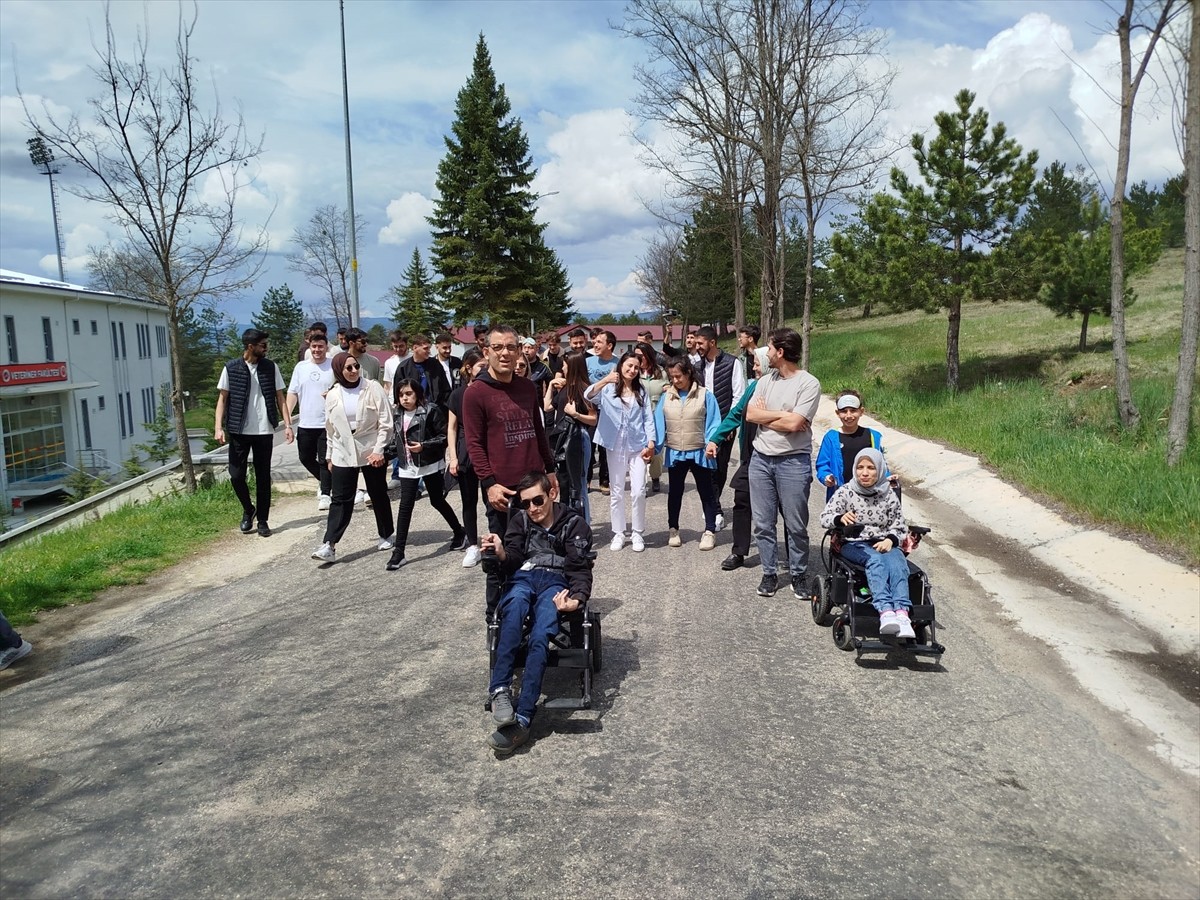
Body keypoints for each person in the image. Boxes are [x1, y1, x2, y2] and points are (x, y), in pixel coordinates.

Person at [484, 471, 594, 755]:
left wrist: (578, 599)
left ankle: (523, 717)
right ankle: (500, 691)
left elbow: (579, 569)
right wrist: (501, 553)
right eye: (526, 503)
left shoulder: (574, 524)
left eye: (537, 500)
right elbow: (513, 560)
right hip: (524, 577)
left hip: (556, 583)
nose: (532, 508)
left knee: (540, 634)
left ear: (552, 495)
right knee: (514, 611)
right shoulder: (520, 521)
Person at [462, 323, 558, 617]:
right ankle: (497, 616)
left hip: (534, 488)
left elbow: (537, 432)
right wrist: (488, 483)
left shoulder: (527, 387)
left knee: (540, 552)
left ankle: (534, 608)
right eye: (498, 347)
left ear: (520, 351)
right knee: (499, 556)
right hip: (501, 491)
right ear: (486, 351)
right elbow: (474, 445)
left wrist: (551, 471)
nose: (505, 353)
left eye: (511, 347)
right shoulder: (475, 393)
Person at [745, 328, 821, 599]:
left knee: (795, 523)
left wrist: (771, 416)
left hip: (793, 462)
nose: (766, 352)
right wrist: (780, 415)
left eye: (770, 347)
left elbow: (796, 423)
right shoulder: (765, 380)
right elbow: (751, 414)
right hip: (761, 461)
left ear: (781, 351)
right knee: (764, 524)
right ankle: (769, 573)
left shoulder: (808, 383)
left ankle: (799, 574)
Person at [819, 448, 913, 638]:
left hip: (883, 542)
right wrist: (840, 518)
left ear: (880, 470)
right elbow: (824, 517)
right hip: (853, 542)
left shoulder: (888, 494)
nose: (864, 472)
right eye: (860, 467)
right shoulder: (846, 491)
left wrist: (890, 540)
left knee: (898, 563)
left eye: (871, 468)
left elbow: (899, 525)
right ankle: (885, 611)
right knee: (875, 561)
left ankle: (902, 614)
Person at [311, 352, 394, 563]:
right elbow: (330, 429)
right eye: (348, 368)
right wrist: (329, 456)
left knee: (377, 493)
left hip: (370, 446)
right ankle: (329, 544)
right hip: (342, 449)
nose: (354, 371)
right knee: (340, 499)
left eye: (356, 366)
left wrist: (379, 449)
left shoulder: (372, 387)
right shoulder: (332, 394)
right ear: (339, 370)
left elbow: (386, 421)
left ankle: (385, 534)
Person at [214, 328, 293, 537]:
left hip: (264, 430)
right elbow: (222, 399)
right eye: (262, 345)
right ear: (250, 346)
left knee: (263, 476)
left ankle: (263, 520)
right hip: (238, 430)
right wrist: (218, 427)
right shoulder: (231, 368)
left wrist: (287, 424)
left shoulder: (270, 367)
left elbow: (280, 398)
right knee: (236, 475)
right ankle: (248, 509)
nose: (266, 348)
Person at [385, 378, 466, 571]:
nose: (405, 398)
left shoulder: (430, 410)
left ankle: (459, 531)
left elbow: (444, 437)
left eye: (409, 394)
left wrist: (424, 447)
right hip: (407, 466)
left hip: (429, 463)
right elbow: (396, 440)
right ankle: (399, 552)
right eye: (401, 394)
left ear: (417, 394)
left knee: (437, 500)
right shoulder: (397, 413)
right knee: (405, 506)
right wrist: (383, 454)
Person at [706, 346, 770, 571]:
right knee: (741, 502)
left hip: (774, 459)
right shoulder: (752, 388)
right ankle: (739, 551)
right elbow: (734, 415)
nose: (753, 367)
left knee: (783, 508)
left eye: (757, 363)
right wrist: (716, 439)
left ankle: (792, 555)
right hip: (749, 456)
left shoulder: (781, 390)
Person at [587, 351, 656, 552]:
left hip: (637, 445)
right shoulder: (608, 388)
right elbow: (588, 395)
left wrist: (651, 441)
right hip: (614, 444)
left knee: (638, 491)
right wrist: (605, 380)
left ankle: (637, 532)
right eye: (629, 366)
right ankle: (619, 532)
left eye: (636, 367)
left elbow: (648, 418)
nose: (632, 370)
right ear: (621, 365)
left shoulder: (641, 390)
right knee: (616, 491)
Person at [654, 357, 721, 551]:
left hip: (699, 451)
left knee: (707, 493)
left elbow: (714, 421)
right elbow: (659, 424)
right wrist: (654, 448)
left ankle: (709, 531)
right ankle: (673, 529)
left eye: (678, 376)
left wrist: (711, 443)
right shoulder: (666, 397)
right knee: (674, 493)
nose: (675, 380)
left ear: (689, 373)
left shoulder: (705, 395)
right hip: (676, 452)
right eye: (672, 377)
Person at [692, 325, 747, 531]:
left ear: (712, 342)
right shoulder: (697, 367)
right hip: (702, 424)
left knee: (720, 468)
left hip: (725, 425)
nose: (697, 347)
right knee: (705, 467)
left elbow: (738, 396)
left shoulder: (732, 364)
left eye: (700, 343)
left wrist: (729, 424)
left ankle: (713, 506)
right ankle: (714, 509)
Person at [544, 350, 598, 521]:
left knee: (579, 484)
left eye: (565, 365)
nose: (563, 368)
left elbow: (593, 419)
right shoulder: (565, 388)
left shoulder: (584, 389)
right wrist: (551, 386)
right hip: (562, 439)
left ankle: (583, 524)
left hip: (577, 438)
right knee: (565, 483)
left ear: (573, 365)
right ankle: (568, 523)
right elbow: (547, 408)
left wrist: (575, 414)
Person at [815, 389, 896, 500]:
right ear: (837, 413)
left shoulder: (873, 436)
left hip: (869, 496)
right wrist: (826, 477)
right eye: (844, 411)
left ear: (861, 411)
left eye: (853, 410)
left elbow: (880, 465)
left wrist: (888, 478)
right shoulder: (831, 437)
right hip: (841, 496)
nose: (848, 415)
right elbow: (822, 465)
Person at [286, 332, 335, 511]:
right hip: (306, 422)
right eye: (314, 347)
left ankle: (325, 493)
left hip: (326, 422)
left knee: (324, 459)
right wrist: (287, 417)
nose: (317, 350)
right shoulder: (301, 367)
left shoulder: (333, 366)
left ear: (326, 347)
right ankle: (327, 483)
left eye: (320, 346)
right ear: (310, 347)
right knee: (305, 457)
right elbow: (292, 393)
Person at [447, 349, 487, 568]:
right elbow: (451, 428)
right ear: (469, 368)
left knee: (492, 499)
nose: (485, 369)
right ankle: (472, 544)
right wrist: (453, 457)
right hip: (465, 450)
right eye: (480, 365)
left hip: (489, 448)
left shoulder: (490, 390)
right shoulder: (457, 394)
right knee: (468, 500)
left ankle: (497, 539)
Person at [586, 330, 618, 495]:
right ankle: (587, 479)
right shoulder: (588, 362)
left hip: (610, 412)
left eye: (599, 342)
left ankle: (605, 480)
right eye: (595, 341)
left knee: (606, 446)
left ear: (609, 345)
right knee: (588, 445)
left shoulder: (618, 363)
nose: (595, 344)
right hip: (590, 409)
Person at [634, 341, 669, 494]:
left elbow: (668, 388)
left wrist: (667, 389)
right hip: (637, 417)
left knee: (656, 449)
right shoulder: (634, 373)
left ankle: (655, 477)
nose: (637, 358)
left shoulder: (661, 372)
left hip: (657, 415)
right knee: (639, 449)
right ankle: (640, 482)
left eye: (640, 356)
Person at [397, 334, 452, 409]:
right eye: (425, 348)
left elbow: (446, 390)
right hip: (413, 411)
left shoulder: (435, 365)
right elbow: (398, 393)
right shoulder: (403, 368)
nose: (428, 351)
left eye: (429, 348)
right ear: (415, 348)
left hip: (435, 411)